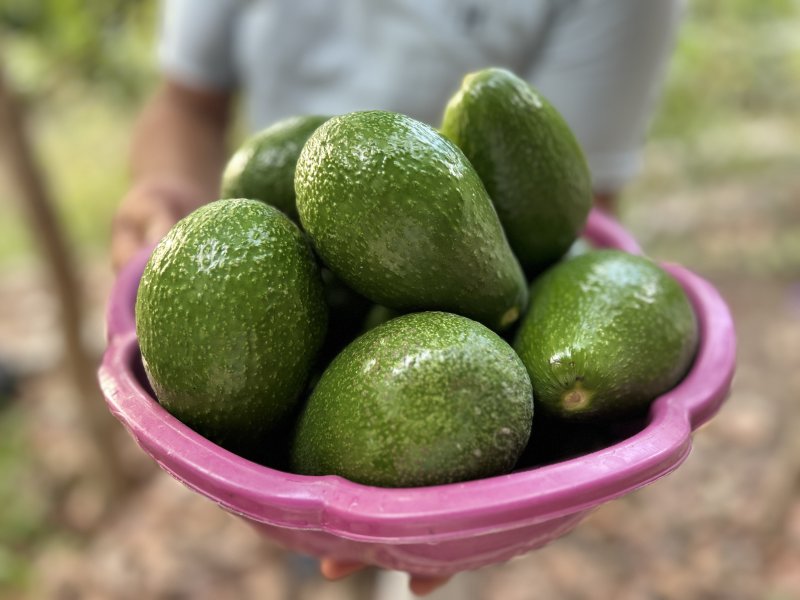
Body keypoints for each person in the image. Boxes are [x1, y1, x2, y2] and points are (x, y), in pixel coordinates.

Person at [111, 0, 684, 594]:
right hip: (292, 275)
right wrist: (167, 190)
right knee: (318, 560)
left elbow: (574, 211)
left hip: (457, 474)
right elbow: (185, 102)